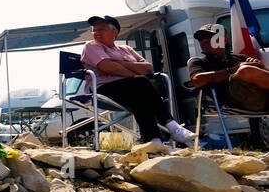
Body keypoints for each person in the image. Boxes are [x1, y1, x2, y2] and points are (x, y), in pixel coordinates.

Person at [81, 15, 195, 150]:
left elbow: (148, 68)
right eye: (94, 30)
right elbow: (108, 67)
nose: (97, 33)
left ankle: (154, 141)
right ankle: (171, 126)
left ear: (115, 31)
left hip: (130, 88)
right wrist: (134, 74)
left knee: (140, 100)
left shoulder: (126, 49)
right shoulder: (92, 47)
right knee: (142, 84)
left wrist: (119, 63)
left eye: (101, 29)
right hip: (103, 88)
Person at [188, 24, 269, 111]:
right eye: (200, 38)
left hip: (260, 96)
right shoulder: (197, 62)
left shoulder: (241, 58)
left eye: (210, 36)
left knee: (247, 69)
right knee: (245, 70)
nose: (204, 40)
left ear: (225, 40)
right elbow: (197, 80)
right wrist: (235, 69)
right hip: (233, 102)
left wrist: (259, 66)